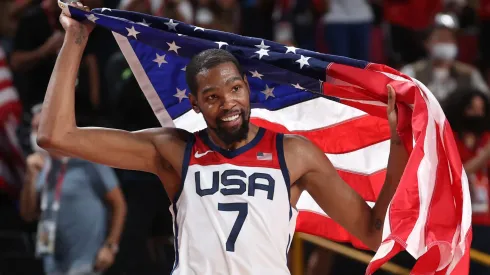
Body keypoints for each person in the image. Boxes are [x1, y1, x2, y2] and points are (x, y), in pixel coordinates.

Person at [37, 3, 408, 274]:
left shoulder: (294, 153)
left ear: (248, 89)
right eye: (213, 97)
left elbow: (373, 233)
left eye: (234, 89)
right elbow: (56, 136)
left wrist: (397, 145)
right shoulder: (174, 148)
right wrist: (76, 36)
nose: (228, 102)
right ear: (196, 105)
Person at [19, 104, 127, 275]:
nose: (35, 135)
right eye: (33, 129)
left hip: (87, 262)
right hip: (53, 262)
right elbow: (28, 214)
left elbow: (119, 204)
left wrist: (110, 246)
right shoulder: (42, 165)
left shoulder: (88, 159)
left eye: (39, 128)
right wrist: (30, 177)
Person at [443, 89, 490, 275]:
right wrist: (485, 155)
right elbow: (456, 174)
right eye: (472, 109)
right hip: (456, 221)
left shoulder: (485, 138)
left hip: (485, 219)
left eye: (481, 109)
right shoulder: (449, 138)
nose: (477, 114)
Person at [401, 13, 489, 102]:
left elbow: (486, 100)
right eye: (440, 37)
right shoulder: (411, 73)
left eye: (449, 38)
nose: (445, 42)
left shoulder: (470, 74)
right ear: (427, 43)